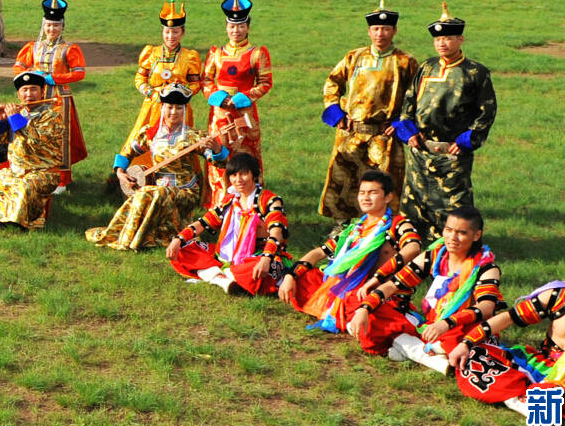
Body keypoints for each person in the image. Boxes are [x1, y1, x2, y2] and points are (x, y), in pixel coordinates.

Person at [446, 249, 565, 416]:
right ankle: (522, 400)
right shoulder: (559, 295)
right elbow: (509, 317)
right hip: (538, 363)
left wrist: (560, 389)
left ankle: (519, 394)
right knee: (474, 354)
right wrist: (466, 343)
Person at [278, 169, 425, 355]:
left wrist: (378, 278)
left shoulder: (398, 224)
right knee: (307, 277)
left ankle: (357, 320)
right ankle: (345, 318)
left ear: (388, 197)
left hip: (379, 292)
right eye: (362, 193)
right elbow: (319, 252)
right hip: (347, 288)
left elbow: (413, 247)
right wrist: (291, 275)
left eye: (372, 192)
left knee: (352, 299)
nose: (365, 197)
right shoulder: (355, 229)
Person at [349, 207, 501, 373]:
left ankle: (408, 348)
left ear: (476, 235)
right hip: (431, 325)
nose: (452, 237)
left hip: (460, 327)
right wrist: (365, 308)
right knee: (360, 303)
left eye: (461, 233)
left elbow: (487, 307)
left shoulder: (486, 267)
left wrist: (446, 323)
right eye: (448, 230)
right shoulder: (435, 256)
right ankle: (424, 353)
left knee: (460, 340)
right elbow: (393, 284)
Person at [391, 4, 498, 239]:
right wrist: (408, 132)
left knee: (452, 206)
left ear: (460, 39)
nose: (442, 43)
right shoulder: (427, 66)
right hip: (420, 151)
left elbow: (487, 111)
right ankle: (412, 249)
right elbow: (409, 102)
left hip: (452, 154)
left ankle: (453, 249)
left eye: (448, 38)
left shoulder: (475, 72)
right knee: (414, 205)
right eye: (438, 39)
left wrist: (467, 140)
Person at [88, 86, 227, 251]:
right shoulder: (151, 134)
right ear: (162, 108)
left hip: (185, 192)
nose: (173, 112)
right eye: (169, 107)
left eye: (178, 108)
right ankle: (128, 237)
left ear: (184, 110)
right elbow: (127, 153)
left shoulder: (194, 136)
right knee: (147, 193)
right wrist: (120, 172)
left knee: (153, 193)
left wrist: (217, 150)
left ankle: (132, 239)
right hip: (157, 190)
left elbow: (221, 163)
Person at [319, 0, 419, 223]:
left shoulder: (405, 61)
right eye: (375, 29)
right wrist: (335, 112)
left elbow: (416, 97)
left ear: (394, 31)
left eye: (385, 29)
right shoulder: (354, 57)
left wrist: (401, 122)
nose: (380, 34)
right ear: (369, 32)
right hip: (351, 130)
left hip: (384, 135)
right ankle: (341, 225)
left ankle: (382, 226)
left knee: (381, 185)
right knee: (344, 180)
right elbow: (333, 83)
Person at [164, 153, 291, 296]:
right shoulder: (229, 201)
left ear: (255, 175)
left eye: (244, 174)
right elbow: (203, 222)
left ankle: (217, 273)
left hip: (260, 256)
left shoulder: (270, 201)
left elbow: (276, 233)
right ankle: (225, 279)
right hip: (227, 255)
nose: (238, 180)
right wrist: (178, 239)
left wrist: (266, 259)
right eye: (233, 175)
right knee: (182, 249)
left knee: (264, 269)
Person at [0, 72, 72, 229]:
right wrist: (2, 119)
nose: (29, 94)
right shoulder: (19, 113)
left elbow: (36, 140)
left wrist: (14, 118)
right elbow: (1, 139)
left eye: (33, 89)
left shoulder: (51, 115)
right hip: (15, 171)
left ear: (42, 92)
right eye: (24, 90)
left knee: (22, 188)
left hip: (43, 173)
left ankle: (13, 222)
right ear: (18, 94)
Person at [202, 0, 273, 204]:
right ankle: (219, 202)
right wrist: (218, 97)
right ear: (226, 27)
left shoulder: (257, 54)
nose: (236, 30)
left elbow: (265, 83)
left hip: (245, 115)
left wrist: (243, 98)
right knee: (218, 154)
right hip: (220, 115)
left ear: (248, 27)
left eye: (241, 26)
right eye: (232, 26)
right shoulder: (216, 53)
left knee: (245, 158)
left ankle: (250, 202)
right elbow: (205, 80)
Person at [11, 0, 88, 167]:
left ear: (62, 27)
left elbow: (79, 73)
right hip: (34, 95)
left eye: (55, 26)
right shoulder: (33, 47)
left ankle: (61, 174)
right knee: (31, 128)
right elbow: (18, 67)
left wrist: (53, 78)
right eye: (48, 25)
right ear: (43, 26)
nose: (51, 29)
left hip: (60, 98)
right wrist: (31, 76)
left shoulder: (68, 49)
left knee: (60, 133)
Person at [124, 0, 202, 152]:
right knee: (145, 140)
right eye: (167, 32)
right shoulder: (151, 53)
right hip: (154, 106)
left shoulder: (189, 56)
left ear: (182, 33)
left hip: (179, 109)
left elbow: (196, 84)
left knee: (180, 143)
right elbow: (139, 78)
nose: (170, 36)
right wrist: (151, 93)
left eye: (175, 32)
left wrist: (182, 94)